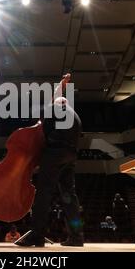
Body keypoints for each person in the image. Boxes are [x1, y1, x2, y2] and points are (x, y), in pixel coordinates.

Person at [16, 74, 84, 247]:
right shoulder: (75, 116)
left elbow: (42, 135)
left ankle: (37, 235)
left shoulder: (55, 109)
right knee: (70, 197)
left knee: (43, 194)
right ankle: (77, 237)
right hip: (70, 156)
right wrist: (61, 86)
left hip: (54, 154)